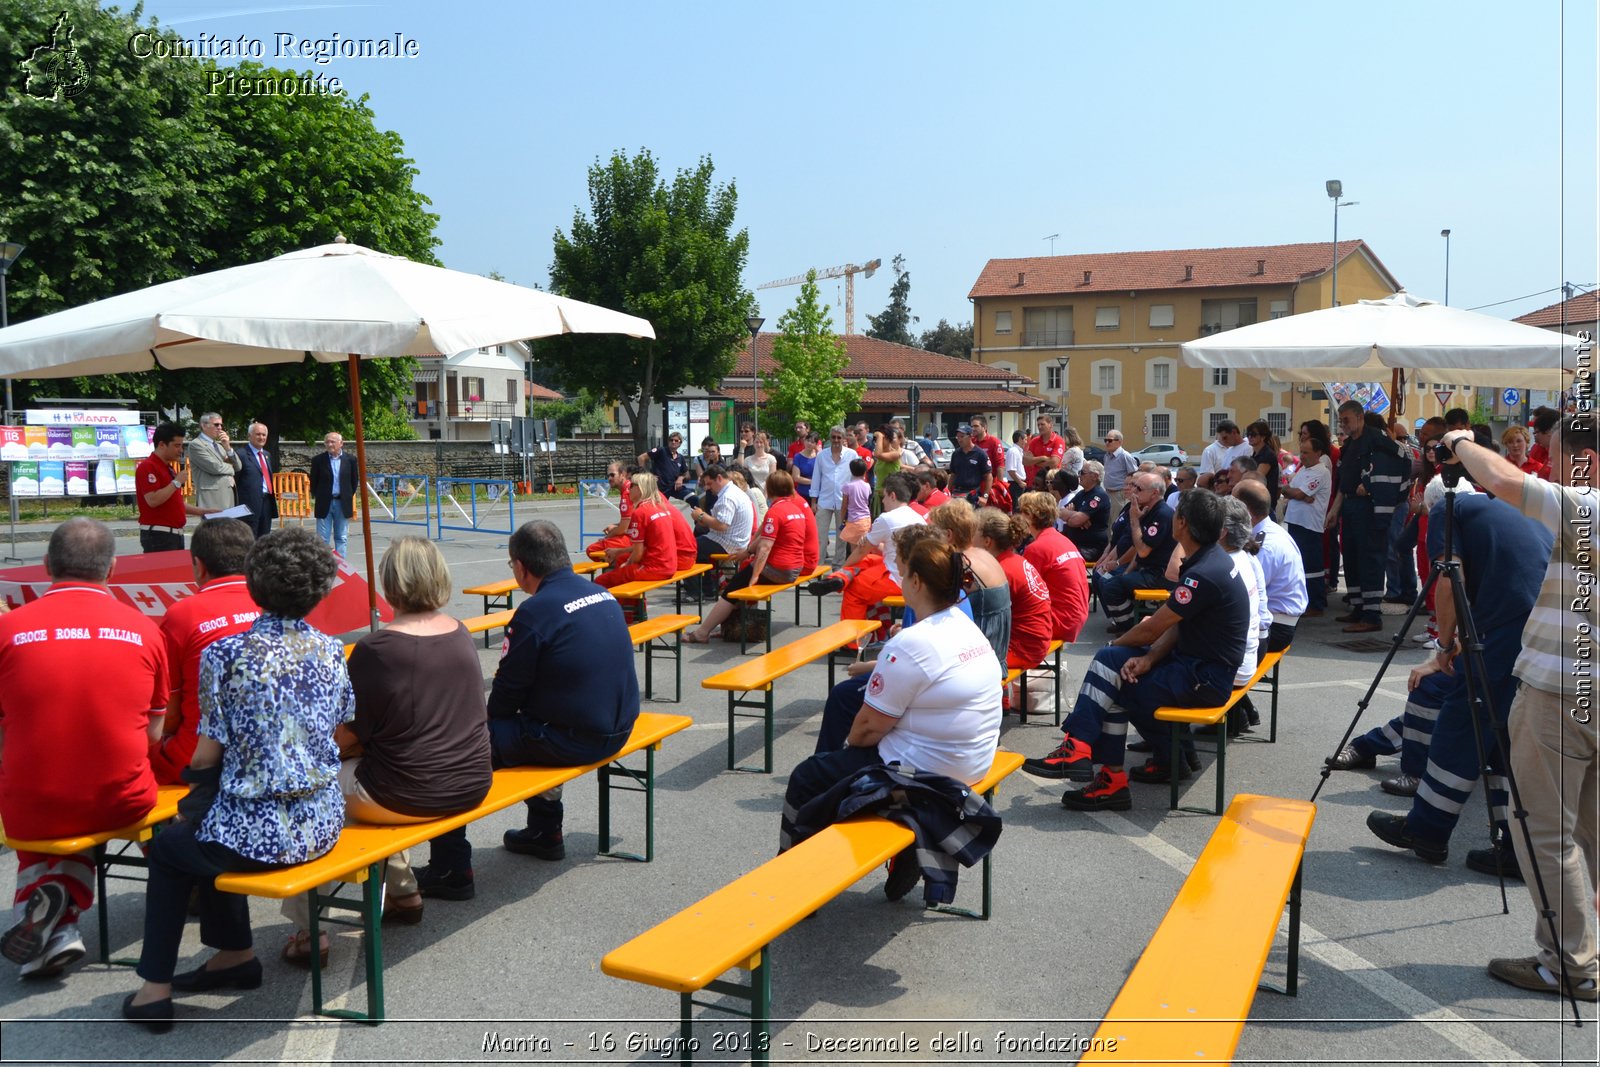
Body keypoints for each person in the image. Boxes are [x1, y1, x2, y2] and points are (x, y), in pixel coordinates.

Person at [121, 527, 349, 1029]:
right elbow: (337, 722)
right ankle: (233, 956)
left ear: (254, 583)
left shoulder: (226, 655)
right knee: (207, 829)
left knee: (172, 845)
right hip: (323, 822)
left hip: (259, 834)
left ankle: (154, 988)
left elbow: (206, 756)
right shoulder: (331, 651)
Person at [1434, 415, 1599, 1003]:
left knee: (1546, 836)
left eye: (1557, 460)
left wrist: (1458, 443)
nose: (1548, 470)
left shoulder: (1590, 507)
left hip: (1561, 693)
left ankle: (1569, 965)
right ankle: (1584, 951)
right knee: (1590, 833)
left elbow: (1502, 481)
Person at [281, 538, 494, 954]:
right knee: (375, 772)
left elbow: (346, 735)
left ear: (389, 583)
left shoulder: (378, 649)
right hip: (470, 780)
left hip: (410, 790)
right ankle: (402, 891)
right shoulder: (459, 632)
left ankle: (310, 929)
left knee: (308, 792)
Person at [416, 521, 641, 898]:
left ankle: (450, 867)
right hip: (619, 728)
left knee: (455, 749)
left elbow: (507, 692)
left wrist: (476, 726)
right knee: (536, 723)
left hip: (577, 738)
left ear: (521, 567)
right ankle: (544, 831)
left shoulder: (536, 611)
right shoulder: (601, 594)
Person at [780, 537, 1003, 903]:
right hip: (975, 757)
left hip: (933, 768)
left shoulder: (912, 642)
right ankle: (902, 851)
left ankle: (794, 879)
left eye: (904, 573)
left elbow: (867, 729)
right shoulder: (965, 624)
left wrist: (848, 752)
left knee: (808, 777)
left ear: (916, 582)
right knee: (844, 746)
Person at [0, 520, 167, 981]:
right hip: (122, 799)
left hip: (31, 804)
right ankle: (58, 927)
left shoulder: (8, 629)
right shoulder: (144, 629)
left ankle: (58, 920)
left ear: (48, 565)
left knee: (41, 789)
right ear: (113, 569)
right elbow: (155, 732)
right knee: (89, 787)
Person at [1362, 477, 1551, 874]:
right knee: (1504, 735)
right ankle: (1515, 846)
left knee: (1459, 724)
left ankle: (1427, 830)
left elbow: (1448, 581)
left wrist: (1444, 648)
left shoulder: (1450, 510)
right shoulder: (1508, 510)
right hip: (1545, 630)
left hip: (1506, 630)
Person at [1021, 491, 1248, 809]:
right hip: (1197, 666)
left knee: (1114, 679)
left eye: (1176, 513)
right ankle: (1082, 751)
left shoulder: (1203, 574)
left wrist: (1121, 644)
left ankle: (1103, 773)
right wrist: (1148, 656)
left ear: (1182, 523)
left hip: (1205, 678)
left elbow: (1156, 626)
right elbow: (1178, 626)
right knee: (1112, 663)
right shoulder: (1210, 559)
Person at [151, 520, 261, 785]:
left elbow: (170, 714)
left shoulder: (182, 614)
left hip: (196, 756)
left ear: (199, 566)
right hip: (266, 749)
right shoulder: (271, 603)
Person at [686, 471, 817, 643]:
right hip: (795, 568)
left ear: (769, 490)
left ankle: (702, 633)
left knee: (731, 590)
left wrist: (755, 574)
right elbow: (765, 539)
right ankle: (729, 626)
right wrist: (747, 553)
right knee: (740, 582)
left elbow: (765, 546)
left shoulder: (776, 511)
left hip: (779, 569)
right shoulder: (795, 508)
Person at [809, 473, 925, 642]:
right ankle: (841, 579)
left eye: (884, 496)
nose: (883, 501)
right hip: (909, 575)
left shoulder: (886, 519)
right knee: (868, 561)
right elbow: (888, 549)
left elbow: (860, 551)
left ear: (892, 495)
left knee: (854, 590)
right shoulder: (916, 517)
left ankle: (851, 642)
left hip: (897, 580)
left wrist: (844, 567)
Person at [1229, 479, 1306, 734]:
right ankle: (1240, 711)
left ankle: (1235, 712)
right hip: (1274, 621)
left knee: (1209, 641)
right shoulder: (1267, 533)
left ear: (1245, 511)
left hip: (1277, 627)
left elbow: (1243, 592)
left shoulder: (1266, 543)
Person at [1332, 402, 1402, 634]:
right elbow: (1344, 481)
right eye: (1341, 420)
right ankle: (1358, 606)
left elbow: (1395, 467)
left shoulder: (1378, 440)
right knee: (1351, 556)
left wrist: (1371, 486)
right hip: (1351, 506)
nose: (1343, 424)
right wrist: (1335, 511)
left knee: (1370, 557)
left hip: (1370, 508)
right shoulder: (1350, 445)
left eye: (1347, 419)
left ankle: (1372, 614)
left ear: (1360, 417)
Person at [925, 501, 1011, 667]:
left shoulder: (960, 563)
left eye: (934, 532)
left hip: (979, 659)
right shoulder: (984, 555)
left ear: (949, 535)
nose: (931, 537)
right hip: (996, 652)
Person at [1096, 473, 1178, 635]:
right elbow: (1137, 551)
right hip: (1145, 568)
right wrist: (1126, 571)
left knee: (1113, 587)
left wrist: (1135, 520)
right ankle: (1126, 621)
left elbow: (1142, 550)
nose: (1134, 492)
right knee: (1107, 580)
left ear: (1154, 493)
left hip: (1159, 574)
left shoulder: (1162, 514)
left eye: (1139, 489)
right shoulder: (1148, 510)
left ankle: (1131, 627)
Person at [973, 507, 1053, 674]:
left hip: (1022, 649)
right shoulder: (1014, 560)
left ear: (987, 541)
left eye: (973, 533)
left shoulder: (999, 571)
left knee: (961, 662)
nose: (969, 539)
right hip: (1035, 642)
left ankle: (1001, 701)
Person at [1015, 491, 1089, 643]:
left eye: (1022, 511)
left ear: (1030, 515)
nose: (1019, 516)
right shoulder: (1062, 540)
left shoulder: (1037, 548)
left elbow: (1023, 593)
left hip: (1061, 621)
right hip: (1076, 616)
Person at [137, 422, 212, 552]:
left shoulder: (167, 467)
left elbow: (173, 503)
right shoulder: (148, 466)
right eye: (177, 446)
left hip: (172, 534)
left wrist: (203, 511)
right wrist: (176, 482)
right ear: (161, 445)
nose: (181, 450)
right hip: (159, 535)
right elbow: (153, 500)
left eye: (181, 445)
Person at [595, 472, 678, 590]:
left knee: (600, 581)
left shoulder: (640, 512)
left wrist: (627, 565)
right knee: (621, 560)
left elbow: (638, 554)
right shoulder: (659, 507)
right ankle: (631, 606)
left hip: (655, 568)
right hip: (670, 564)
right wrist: (621, 554)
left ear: (640, 489)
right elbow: (646, 546)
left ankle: (623, 607)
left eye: (632, 486)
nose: (628, 490)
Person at [688, 463, 753, 600]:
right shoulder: (734, 491)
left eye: (709, 484)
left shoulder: (727, 497)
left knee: (689, 548)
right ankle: (708, 588)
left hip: (728, 542)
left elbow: (722, 525)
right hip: (734, 540)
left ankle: (695, 592)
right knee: (699, 545)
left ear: (719, 478)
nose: (707, 487)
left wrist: (701, 516)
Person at [1284, 433, 1333, 614]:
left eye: (1306, 452)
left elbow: (1297, 493)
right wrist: (1298, 494)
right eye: (1301, 452)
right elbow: (1289, 490)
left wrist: (1298, 494)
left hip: (1310, 525)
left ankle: (1316, 603)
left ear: (1318, 453)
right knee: (1300, 564)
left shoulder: (1321, 472)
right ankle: (1306, 601)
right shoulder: (1303, 470)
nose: (1302, 456)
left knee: (1312, 566)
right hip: (1296, 521)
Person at [309, 431, 356, 557]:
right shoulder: (318, 460)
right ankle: (323, 566)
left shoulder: (350, 460)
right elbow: (313, 482)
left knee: (341, 537)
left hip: (343, 503)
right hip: (325, 503)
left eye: (333, 442)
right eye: (327, 442)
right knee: (322, 539)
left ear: (341, 443)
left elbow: (353, 482)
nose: (329, 444)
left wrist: (346, 496)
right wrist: (320, 496)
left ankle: (342, 568)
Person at [811, 426, 852, 562]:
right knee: (820, 536)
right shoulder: (821, 455)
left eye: (839, 437)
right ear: (830, 438)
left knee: (842, 536)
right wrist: (813, 502)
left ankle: (838, 566)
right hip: (824, 500)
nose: (836, 440)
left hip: (844, 502)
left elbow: (855, 479)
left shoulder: (852, 455)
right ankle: (819, 566)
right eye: (833, 437)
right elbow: (816, 478)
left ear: (844, 439)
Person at [186, 413, 241, 512]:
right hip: (211, 499)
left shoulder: (220, 446)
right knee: (213, 527)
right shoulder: (196, 445)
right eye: (216, 425)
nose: (220, 428)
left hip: (228, 496)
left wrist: (228, 448)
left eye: (221, 425)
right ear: (204, 425)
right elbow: (215, 467)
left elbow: (238, 466)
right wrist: (230, 467)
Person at [1061, 460, 1111, 561]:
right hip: (1073, 543)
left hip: (1090, 548)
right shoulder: (1081, 494)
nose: (1079, 476)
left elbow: (1075, 521)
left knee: (1060, 558)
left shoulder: (1099, 496)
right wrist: (1077, 515)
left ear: (1095, 476)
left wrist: (1074, 517)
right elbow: (1061, 512)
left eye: (1082, 473)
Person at [233, 421, 277, 539]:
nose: (261, 437)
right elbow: (235, 481)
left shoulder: (267, 455)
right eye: (258, 434)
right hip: (248, 505)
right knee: (249, 539)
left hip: (266, 502)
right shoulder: (241, 454)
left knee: (265, 539)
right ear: (249, 436)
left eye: (264, 435)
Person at [586, 461, 635, 560]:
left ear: (623, 475)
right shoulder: (631, 487)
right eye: (608, 475)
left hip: (635, 537)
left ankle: (614, 567)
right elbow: (630, 521)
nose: (609, 478)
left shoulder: (627, 494)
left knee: (591, 550)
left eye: (612, 475)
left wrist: (608, 537)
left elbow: (623, 529)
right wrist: (616, 525)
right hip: (637, 534)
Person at [1198, 421, 1251, 491]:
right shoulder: (1229, 451)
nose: (1223, 441)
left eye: (1225, 437)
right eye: (1221, 438)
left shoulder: (1248, 448)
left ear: (1234, 432)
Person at [948, 424, 992, 505]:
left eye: (962, 436)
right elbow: (953, 474)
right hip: (957, 494)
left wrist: (985, 497)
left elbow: (989, 476)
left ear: (970, 436)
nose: (959, 439)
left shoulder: (980, 454)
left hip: (972, 495)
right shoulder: (956, 454)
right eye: (958, 437)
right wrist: (948, 491)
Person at [1245, 420, 1282, 515]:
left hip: (1264, 504)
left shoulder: (1267, 455)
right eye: (1248, 434)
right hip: (1257, 502)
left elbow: (1256, 478)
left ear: (1263, 437)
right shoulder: (1256, 454)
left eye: (1253, 434)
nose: (1249, 436)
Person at [638, 432, 687, 499]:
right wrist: (645, 475)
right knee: (657, 508)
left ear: (680, 443)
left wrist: (680, 478)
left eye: (676, 440)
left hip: (673, 488)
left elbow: (685, 473)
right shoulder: (661, 450)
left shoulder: (680, 458)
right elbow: (641, 458)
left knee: (693, 498)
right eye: (671, 440)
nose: (673, 442)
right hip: (659, 488)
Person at [1100, 429, 1140, 510]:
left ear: (1119, 442)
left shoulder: (1125, 456)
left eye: (1110, 440)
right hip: (1108, 493)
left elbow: (1134, 475)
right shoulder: (1107, 456)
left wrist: (1128, 493)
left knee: (1117, 519)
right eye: (1105, 440)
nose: (1107, 443)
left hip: (1120, 494)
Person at [1024, 415, 1066, 487]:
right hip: (1035, 483)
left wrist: (1034, 461)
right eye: (1038, 425)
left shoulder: (1058, 441)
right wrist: (1043, 458)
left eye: (1042, 424)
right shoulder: (1034, 441)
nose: (1039, 427)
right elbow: (1025, 461)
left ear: (1050, 425)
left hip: (1052, 483)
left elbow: (1054, 463)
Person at [871, 424, 904, 514]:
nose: (879, 442)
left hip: (890, 496)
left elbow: (878, 454)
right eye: (877, 440)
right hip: (878, 496)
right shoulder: (879, 458)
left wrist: (880, 435)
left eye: (882, 439)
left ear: (888, 439)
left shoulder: (895, 454)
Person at [790, 432, 819, 506]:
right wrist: (813, 482)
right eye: (808, 440)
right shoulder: (798, 457)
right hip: (803, 494)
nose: (809, 443)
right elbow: (796, 478)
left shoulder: (819, 456)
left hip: (818, 495)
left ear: (816, 444)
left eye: (812, 442)